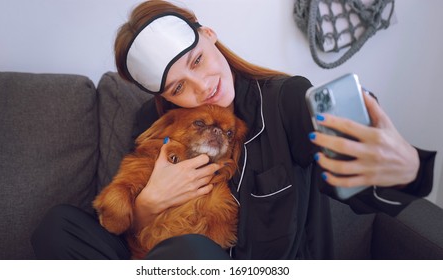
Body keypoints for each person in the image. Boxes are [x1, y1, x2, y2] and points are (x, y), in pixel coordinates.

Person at [31, 0, 436, 259]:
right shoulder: (155, 124)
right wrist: (147, 205)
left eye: (196, 61)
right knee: (58, 227)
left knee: (187, 253)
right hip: (158, 258)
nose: (202, 85)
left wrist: (405, 169)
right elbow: (123, 221)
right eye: (178, 88)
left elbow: (357, 183)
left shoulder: (285, 100)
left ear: (209, 36)